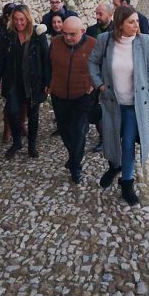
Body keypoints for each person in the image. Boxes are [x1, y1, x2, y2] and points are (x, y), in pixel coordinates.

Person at [89, 5, 149, 205]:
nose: (136, 25)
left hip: (133, 106)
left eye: (136, 21)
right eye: (131, 22)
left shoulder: (143, 41)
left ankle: (127, 183)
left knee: (127, 144)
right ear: (120, 24)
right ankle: (114, 166)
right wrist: (99, 84)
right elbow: (92, 62)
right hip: (112, 103)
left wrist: (148, 88)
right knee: (111, 141)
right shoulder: (105, 40)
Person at [0, 4, 50, 159]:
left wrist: (48, 82)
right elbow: (2, 60)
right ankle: (17, 141)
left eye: (22, 19)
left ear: (28, 19)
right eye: (16, 19)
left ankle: (32, 145)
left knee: (33, 115)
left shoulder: (38, 35)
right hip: (13, 82)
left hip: (33, 82)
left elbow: (46, 59)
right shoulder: (8, 35)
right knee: (12, 112)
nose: (19, 23)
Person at [48, 17, 97, 184]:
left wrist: (93, 84)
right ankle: (73, 156)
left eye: (72, 34)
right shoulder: (55, 42)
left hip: (83, 96)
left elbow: (102, 67)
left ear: (82, 31)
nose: (67, 37)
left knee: (79, 132)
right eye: (64, 34)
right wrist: (49, 83)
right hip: (59, 95)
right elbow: (48, 64)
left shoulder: (93, 45)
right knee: (64, 130)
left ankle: (76, 167)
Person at [0, 2, 27, 142]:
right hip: (9, 73)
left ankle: (21, 123)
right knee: (10, 103)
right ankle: (7, 130)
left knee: (24, 102)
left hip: (23, 73)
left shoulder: (24, 30)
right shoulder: (2, 33)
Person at [85, 3, 114, 152]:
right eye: (96, 13)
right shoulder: (91, 31)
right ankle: (103, 136)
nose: (97, 16)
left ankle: (110, 137)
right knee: (96, 109)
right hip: (95, 77)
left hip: (112, 77)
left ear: (110, 15)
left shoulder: (117, 31)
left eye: (100, 14)